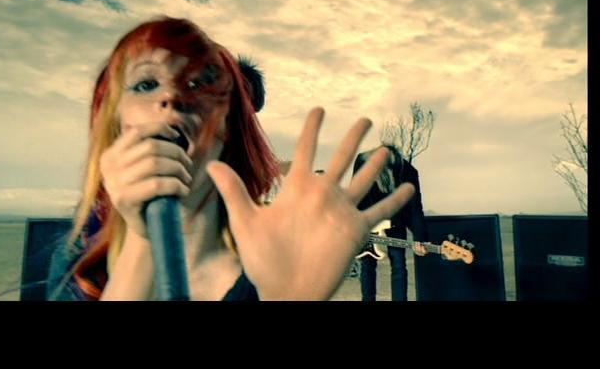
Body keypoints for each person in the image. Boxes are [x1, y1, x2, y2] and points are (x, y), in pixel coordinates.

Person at [47, 16, 415, 301]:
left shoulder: (262, 252)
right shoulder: (81, 251)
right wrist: (142, 245)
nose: (173, 99)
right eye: (146, 84)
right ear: (112, 120)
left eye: (203, 87)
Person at [353, 144, 428, 301]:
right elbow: (357, 195)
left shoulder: (408, 172)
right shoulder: (362, 161)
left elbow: (415, 207)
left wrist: (420, 238)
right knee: (367, 264)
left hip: (396, 219)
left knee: (398, 263)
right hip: (368, 218)